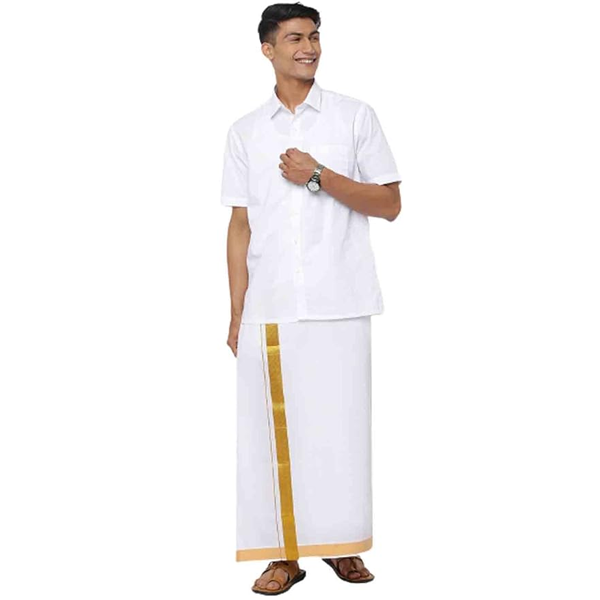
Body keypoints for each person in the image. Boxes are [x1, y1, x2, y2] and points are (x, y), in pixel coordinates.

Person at [220, 2, 402, 594]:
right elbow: (240, 226)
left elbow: (390, 203)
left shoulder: (354, 116)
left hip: (341, 296)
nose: (309, 47)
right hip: (271, 304)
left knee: (342, 430)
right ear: (267, 49)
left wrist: (319, 175)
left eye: (315, 36)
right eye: (295, 37)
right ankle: (283, 554)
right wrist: (236, 311)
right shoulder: (247, 131)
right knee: (271, 433)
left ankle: (343, 545)